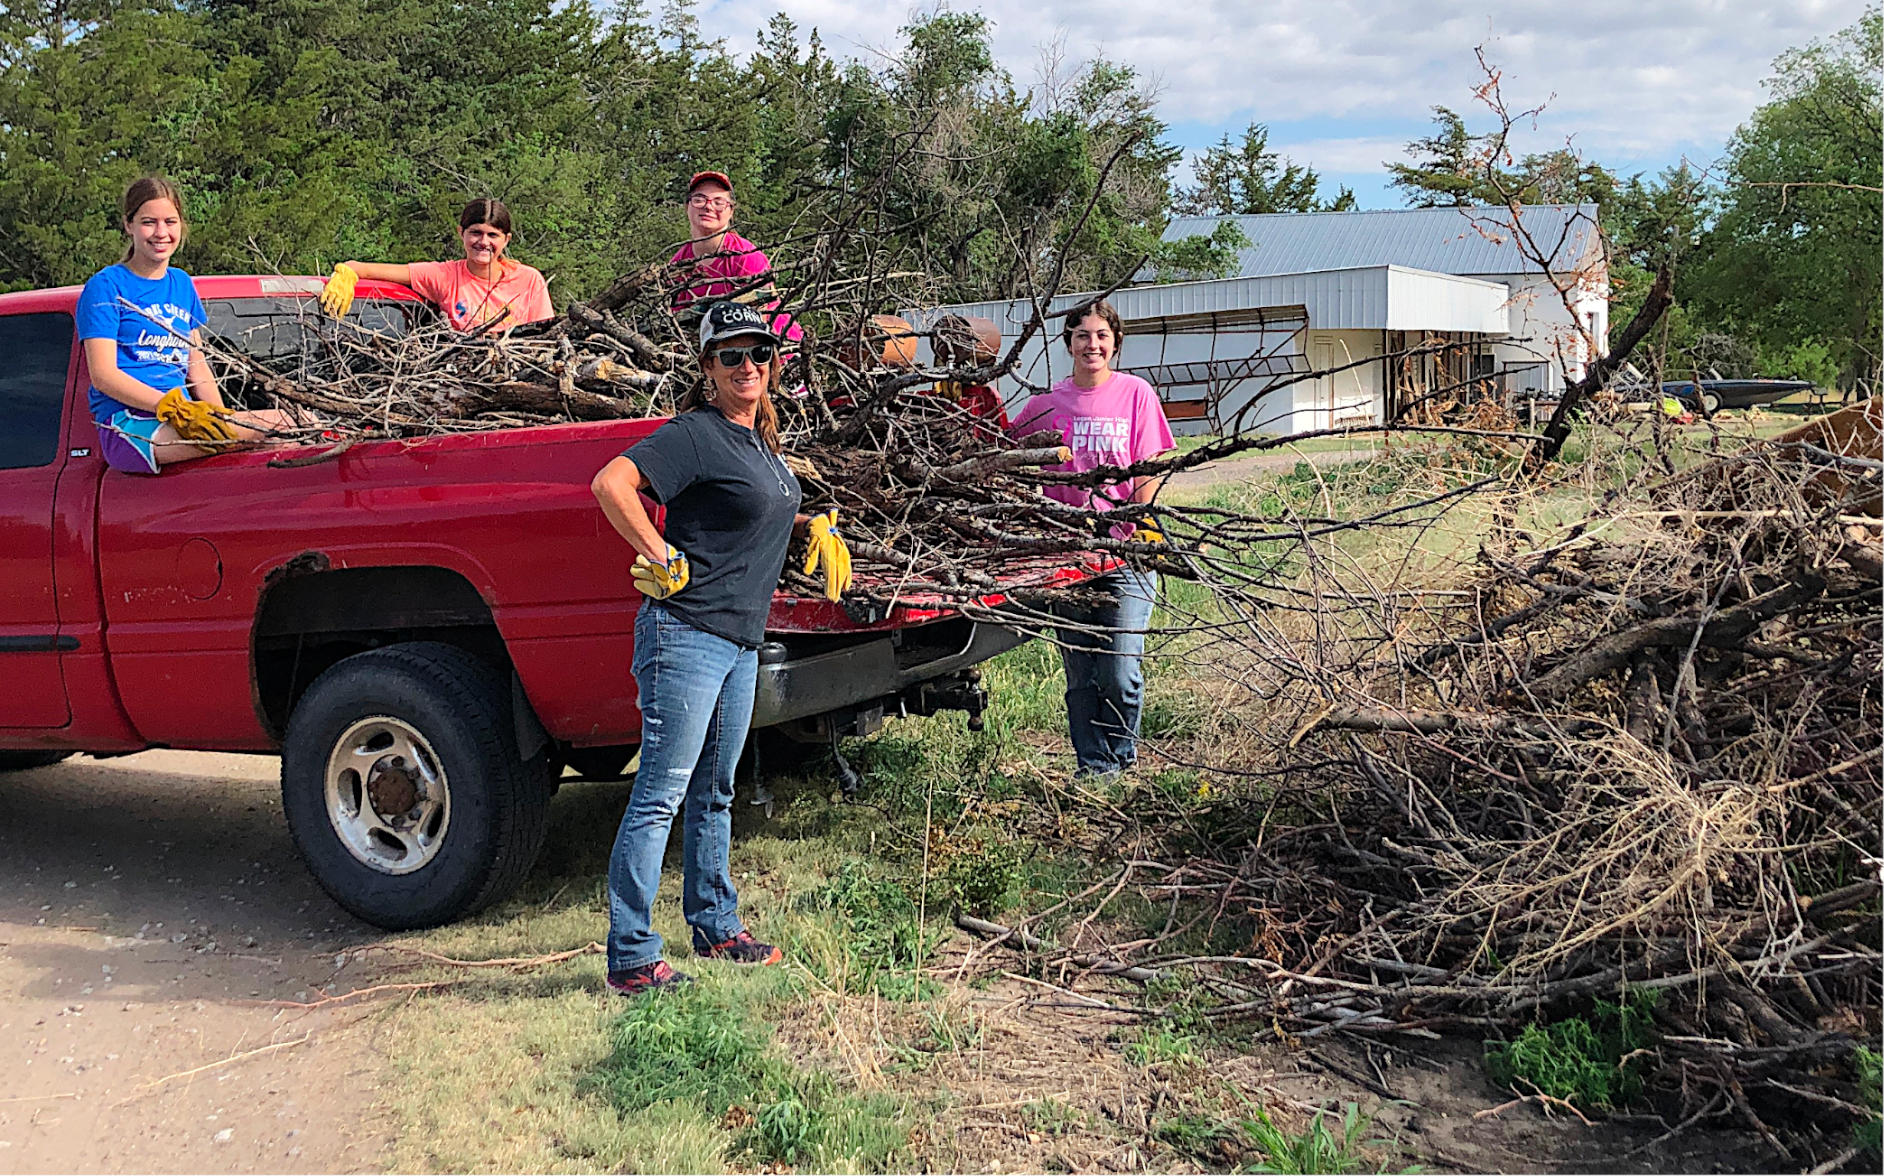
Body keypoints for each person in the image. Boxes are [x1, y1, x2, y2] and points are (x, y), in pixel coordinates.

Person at [589, 300, 851, 995]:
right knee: (661, 793)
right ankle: (631, 956)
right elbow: (611, 483)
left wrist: (808, 527)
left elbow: (746, 512)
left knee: (714, 791)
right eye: (731, 355)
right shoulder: (697, 433)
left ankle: (714, 925)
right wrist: (660, 552)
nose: (747, 365)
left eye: (758, 353)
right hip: (686, 634)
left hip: (738, 642)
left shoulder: (756, 438)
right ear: (708, 367)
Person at [1009, 300, 1174, 778]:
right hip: (1068, 555)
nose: (1092, 345)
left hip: (1125, 550)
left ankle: (1121, 758)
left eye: (1102, 335)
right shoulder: (1046, 405)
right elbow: (1006, 454)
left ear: (1115, 342)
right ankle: (1094, 765)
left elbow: (1148, 466)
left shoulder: (1136, 394)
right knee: (1081, 671)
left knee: (1120, 670)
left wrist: (1142, 523)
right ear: (1069, 343)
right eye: (1082, 335)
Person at [79, 176, 292, 474]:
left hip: (183, 420)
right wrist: (173, 407)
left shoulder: (181, 284)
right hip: (130, 426)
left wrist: (219, 416)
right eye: (149, 222)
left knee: (298, 426)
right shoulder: (106, 286)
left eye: (170, 222)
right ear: (128, 225)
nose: (161, 233)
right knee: (281, 425)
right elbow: (103, 375)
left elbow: (197, 365)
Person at [319, 198, 552, 333]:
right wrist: (347, 273)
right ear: (461, 233)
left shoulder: (528, 280)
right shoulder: (444, 276)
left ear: (506, 240)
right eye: (476, 233)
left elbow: (546, 337)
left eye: (493, 235)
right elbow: (365, 268)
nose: (483, 242)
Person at [669, 171, 802, 344]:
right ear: (687, 206)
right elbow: (676, 324)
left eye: (718, 202)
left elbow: (760, 319)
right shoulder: (677, 265)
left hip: (777, 346)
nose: (708, 207)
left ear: (731, 211)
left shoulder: (747, 256)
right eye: (699, 199)